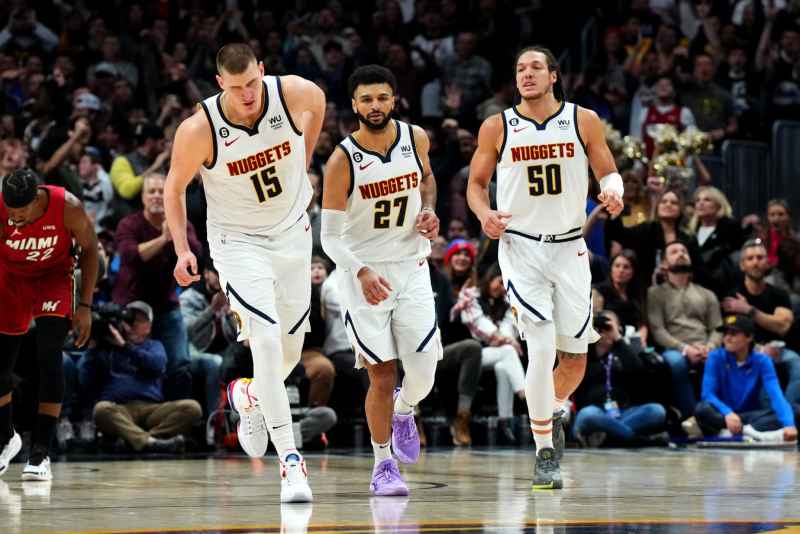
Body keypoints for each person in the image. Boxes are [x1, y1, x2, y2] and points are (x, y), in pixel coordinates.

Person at [164, 44, 324, 503]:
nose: (247, 94)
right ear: (220, 84)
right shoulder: (199, 128)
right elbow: (174, 189)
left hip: (292, 235)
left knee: (288, 354)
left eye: (252, 82)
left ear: (262, 71)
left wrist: (303, 161)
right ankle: (291, 461)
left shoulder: (292, 93)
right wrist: (181, 249)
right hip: (238, 243)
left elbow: (318, 103)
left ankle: (250, 395)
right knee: (267, 343)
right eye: (236, 88)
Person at [466, 45, 624, 490]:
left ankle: (550, 409)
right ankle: (544, 453)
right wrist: (484, 213)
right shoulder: (497, 125)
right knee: (538, 348)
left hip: (570, 248)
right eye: (520, 68)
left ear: (554, 76)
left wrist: (614, 191)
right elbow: (476, 184)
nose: (527, 74)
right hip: (521, 248)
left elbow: (608, 172)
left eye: (536, 67)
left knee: (574, 361)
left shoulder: (582, 120)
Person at [321, 65, 441, 496]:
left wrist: (428, 209)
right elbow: (328, 237)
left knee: (423, 375)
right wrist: (361, 271)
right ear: (354, 105)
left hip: (412, 265)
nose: (375, 106)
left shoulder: (415, 138)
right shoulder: (342, 160)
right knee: (382, 374)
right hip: (363, 273)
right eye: (367, 99)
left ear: (394, 100)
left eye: (382, 98)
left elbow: (427, 179)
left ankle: (404, 411)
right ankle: (383, 464)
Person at [0, 168, 98, 481]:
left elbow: (90, 248)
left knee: (50, 354)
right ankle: (6, 438)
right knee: (1, 366)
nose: (14, 219)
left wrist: (85, 306)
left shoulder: (67, 207)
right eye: (10, 212)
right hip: (10, 278)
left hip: (52, 277)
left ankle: (41, 452)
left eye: (21, 213)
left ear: (36, 200)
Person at [112, 174, 202, 402]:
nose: (156, 196)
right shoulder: (129, 224)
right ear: (142, 197)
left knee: (180, 364)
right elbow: (129, 256)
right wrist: (163, 239)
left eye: (162, 191)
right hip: (132, 308)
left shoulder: (181, 223)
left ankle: (180, 414)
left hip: (165, 305)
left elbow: (197, 253)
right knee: (135, 363)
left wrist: (177, 228)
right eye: (151, 191)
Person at [80, 301, 203, 453]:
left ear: (149, 327)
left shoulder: (154, 345)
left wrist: (125, 346)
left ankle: (138, 441)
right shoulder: (105, 348)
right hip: (119, 408)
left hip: (151, 408)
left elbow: (157, 365)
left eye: (139, 320)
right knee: (100, 409)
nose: (133, 324)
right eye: (129, 319)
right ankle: (152, 442)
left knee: (192, 408)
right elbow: (86, 381)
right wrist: (92, 346)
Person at [647, 241, 724, 420]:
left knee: (727, 357)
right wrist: (686, 349)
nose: (681, 254)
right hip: (676, 349)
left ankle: (728, 417)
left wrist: (709, 347)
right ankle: (694, 419)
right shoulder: (655, 293)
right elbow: (658, 330)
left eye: (684, 251)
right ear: (664, 264)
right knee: (675, 362)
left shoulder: (707, 294)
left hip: (705, 346)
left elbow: (718, 328)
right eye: (674, 252)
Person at [694, 314, 800, 442]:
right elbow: (708, 394)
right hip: (723, 415)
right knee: (701, 409)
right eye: (726, 334)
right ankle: (752, 434)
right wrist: (728, 413)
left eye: (733, 334)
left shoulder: (763, 361)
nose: (727, 338)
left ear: (749, 337)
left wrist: (789, 424)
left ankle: (732, 433)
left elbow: (775, 394)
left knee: (795, 411)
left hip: (750, 416)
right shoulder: (715, 357)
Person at [572, 311, 669, 448]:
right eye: (601, 327)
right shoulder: (583, 355)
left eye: (609, 327)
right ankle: (636, 439)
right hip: (594, 414)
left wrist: (617, 338)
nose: (605, 331)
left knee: (657, 411)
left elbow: (638, 371)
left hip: (622, 413)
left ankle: (608, 438)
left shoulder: (622, 353)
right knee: (587, 415)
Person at [722, 240, 800, 405]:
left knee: (796, 362)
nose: (755, 262)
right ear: (742, 265)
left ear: (766, 262)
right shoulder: (733, 297)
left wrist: (749, 310)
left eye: (759, 258)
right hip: (750, 351)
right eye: (750, 259)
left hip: (779, 350)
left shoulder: (779, 294)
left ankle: (787, 411)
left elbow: (783, 326)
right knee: (762, 369)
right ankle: (778, 415)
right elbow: (732, 336)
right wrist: (761, 349)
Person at [459, 263, 525, 443]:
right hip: (469, 354)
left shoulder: (506, 301)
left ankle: (505, 422)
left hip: (494, 352)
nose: (502, 288)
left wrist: (506, 339)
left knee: (503, 367)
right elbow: (477, 324)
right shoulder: (471, 295)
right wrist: (500, 338)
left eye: (506, 285)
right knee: (508, 351)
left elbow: (509, 326)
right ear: (490, 277)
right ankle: (526, 398)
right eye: (500, 282)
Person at [178, 259, 237, 416]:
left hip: (223, 352)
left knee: (247, 357)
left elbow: (236, 338)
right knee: (214, 363)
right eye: (216, 273)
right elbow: (186, 332)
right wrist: (211, 310)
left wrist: (230, 316)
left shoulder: (227, 296)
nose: (219, 277)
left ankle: (242, 415)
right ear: (206, 273)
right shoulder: (189, 298)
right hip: (194, 353)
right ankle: (216, 417)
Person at [689, 186, 746, 301]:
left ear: (718, 204)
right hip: (694, 288)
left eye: (707, 200)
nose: (701, 203)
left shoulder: (730, 227)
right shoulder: (690, 232)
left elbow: (739, 258)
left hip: (723, 288)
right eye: (698, 200)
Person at [593, 250, 648, 347]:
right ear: (611, 269)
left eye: (626, 267)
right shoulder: (599, 292)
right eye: (617, 266)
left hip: (632, 341)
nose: (621, 270)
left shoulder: (638, 294)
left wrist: (641, 340)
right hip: (608, 341)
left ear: (633, 272)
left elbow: (642, 324)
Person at [761, 199, 794, 266]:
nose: (776, 218)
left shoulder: (794, 241)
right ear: (767, 217)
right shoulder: (761, 241)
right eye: (772, 215)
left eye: (781, 214)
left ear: (788, 217)